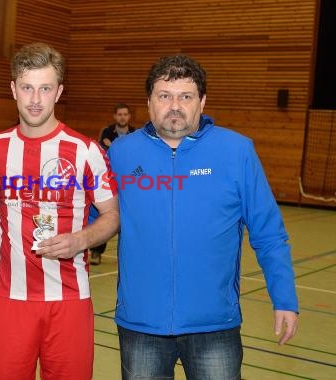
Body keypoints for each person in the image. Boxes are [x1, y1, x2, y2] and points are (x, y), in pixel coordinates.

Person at [108, 54, 299, 379]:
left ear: (202, 101)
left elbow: (269, 233)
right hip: (141, 324)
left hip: (214, 325)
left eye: (186, 96)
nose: (175, 106)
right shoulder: (121, 154)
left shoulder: (237, 151)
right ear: (149, 102)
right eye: (164, 96)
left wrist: (284, 298)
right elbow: (91, 217)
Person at [0, 42, 120, 380]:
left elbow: (112, 215)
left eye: (45, 88)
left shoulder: (86, 151)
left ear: (59, 92)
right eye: (27, 87)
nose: (35, 99)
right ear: (13, 89)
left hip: (69, 297)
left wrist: (81, 240)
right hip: (7, 297)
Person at [90, 103, 136, 264]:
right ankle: (96, 251)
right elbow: (100, 154)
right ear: (115, 116)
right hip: (109, 181)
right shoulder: (106, 131)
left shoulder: (135, 133)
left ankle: (131, 255)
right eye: (119, 114)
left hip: (129, 182)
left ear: (129, 116)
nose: (122, 117)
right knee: (103, 216)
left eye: (125, 114)